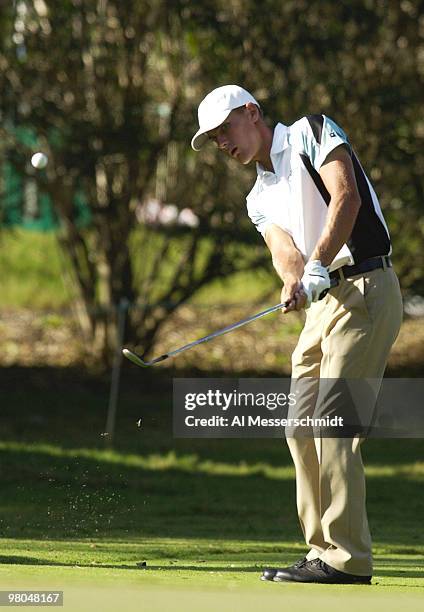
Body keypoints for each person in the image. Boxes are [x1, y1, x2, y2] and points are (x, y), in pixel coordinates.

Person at [191, 85, 403, 584]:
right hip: (322, 304)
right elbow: (282, 251)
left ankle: (347, 560)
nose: (222, 143)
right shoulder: (257, 196)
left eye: (225, 130)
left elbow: (345, 197)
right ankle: (321, 551)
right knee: (298, 424)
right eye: (214, 138)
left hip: (366, 288)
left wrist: (317, 265)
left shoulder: (311, 132)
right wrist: (296, 282)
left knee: (334, 423)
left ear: (252, 113)